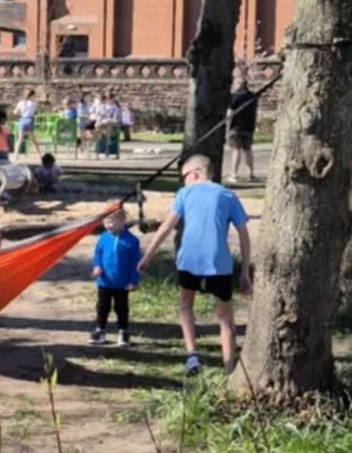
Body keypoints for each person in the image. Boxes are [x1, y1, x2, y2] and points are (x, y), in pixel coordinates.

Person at [138, 155, 251, 377]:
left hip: (188, 262)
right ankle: (229, 369)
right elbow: (244, 234)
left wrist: (147, 257)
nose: (183, 182)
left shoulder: (184, 194)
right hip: (219, 266)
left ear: (196, 173)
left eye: (184, 177)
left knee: (185, 305)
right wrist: (245, 271)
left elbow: (166, 228)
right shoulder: (228, 195)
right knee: (226, 319)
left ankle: (192, 355)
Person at [90, 208, 141, 347]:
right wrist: (97, 266)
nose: (108, 225)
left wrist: (133, 280)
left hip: (122, 283)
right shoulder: (103, 238)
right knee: (102, 307)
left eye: (111, 222)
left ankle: (123, 331)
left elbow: (135, 262)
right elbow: (97, 255)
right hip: (104, 282)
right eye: (106, 222)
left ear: (122, 221)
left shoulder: (132, 241)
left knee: (122, 308)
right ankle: (100, 330)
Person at [227, 77, 258, 184]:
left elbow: (230, 111)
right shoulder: (253, 96)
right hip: (249, 126)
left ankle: (234, 174)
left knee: (236, 150)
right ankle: (251, 174)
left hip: (236, 127)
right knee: (248, 150)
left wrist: (227, 126)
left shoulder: (235, 96)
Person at [13, 89, 42, 160]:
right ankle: (39, 155)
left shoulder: (20, 102)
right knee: (33, 140)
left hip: (22, 120)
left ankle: (16, 155)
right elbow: (34, 111)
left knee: (19, 139)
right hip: (30, 120)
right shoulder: (33, 103)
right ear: (32, 95)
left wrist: (21, 114)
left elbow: (15, 112)